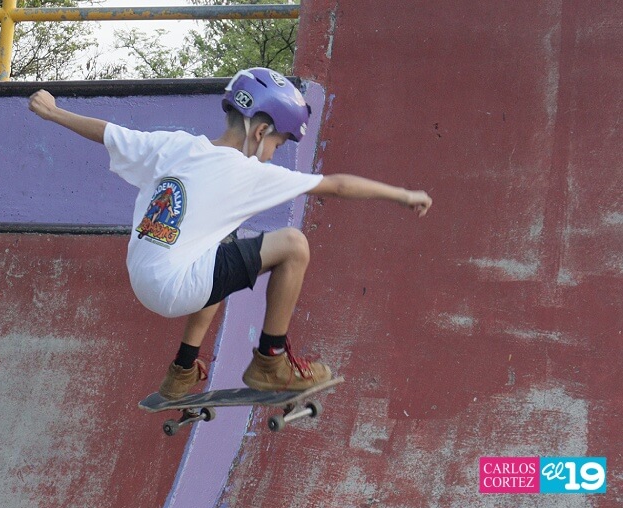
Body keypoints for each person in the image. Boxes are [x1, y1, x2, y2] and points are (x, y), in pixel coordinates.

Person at [28, 67, 432, 400]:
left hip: (142, 275)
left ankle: (182, 371)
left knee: (221, 242)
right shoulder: (248, 171)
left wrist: (53, 112)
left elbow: (107, 131)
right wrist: (402, 194)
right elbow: (337, 185)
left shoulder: (174, 145)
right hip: (177, 287)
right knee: (294, 245)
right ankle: (270, 362)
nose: (275, 152)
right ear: (260, 132)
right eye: (279, 142)